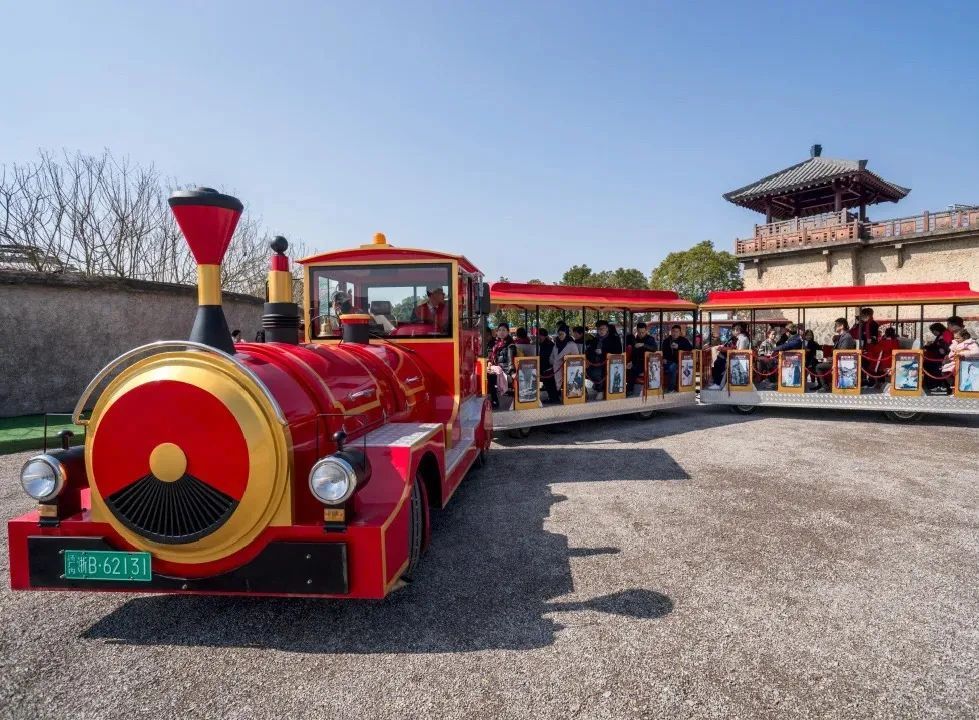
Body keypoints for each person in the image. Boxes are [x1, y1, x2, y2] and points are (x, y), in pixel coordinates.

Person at [814, 318, 856, 391]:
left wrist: (829, 359)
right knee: (818, 363)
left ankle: (825, 387)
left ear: (842, 326)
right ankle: (823, 385)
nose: (834, 327)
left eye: (836, 325)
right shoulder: (842, 336)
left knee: (818, 367)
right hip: (838, 360)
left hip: (843, 363)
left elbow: (842, 354)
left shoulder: (847, 337)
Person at [707, 323, 750, 390]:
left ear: (738, 330)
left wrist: (729, 350)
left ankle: (718, 383)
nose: (732, 331)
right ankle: (717, 382)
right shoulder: (739, 338)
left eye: (734, 329)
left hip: (739, 361)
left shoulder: (742, 339)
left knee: (718, 363)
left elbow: (740, 352)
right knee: (717, 362)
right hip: (735, 358)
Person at [585, 320, 622, 396]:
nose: (601, 331)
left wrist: (603, 352)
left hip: (608, 362)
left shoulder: (614, 338)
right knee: (586, 369)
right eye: (599, 329)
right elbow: (589, 350)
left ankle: (600, 390)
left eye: (603, 328)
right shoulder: (595, 339)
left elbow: (618, 351)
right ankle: (598, 386)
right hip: (594, 362)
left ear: (607, 328)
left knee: (597, 372)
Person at [487, 323, 515, 408]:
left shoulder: (510, 345)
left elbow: (511, 360)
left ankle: (495, 401)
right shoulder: (497, 344)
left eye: (504, 330)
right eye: (499, 330)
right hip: (498, 369)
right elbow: (494, 359)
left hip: (505, 371)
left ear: (508, 332)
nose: (501, 332)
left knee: (490, 376)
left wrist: (512, 372)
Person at [625, 322, 657, 393]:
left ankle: (629, 390)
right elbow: (633, 353)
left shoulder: (650, 339)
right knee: (626, 367)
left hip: (647, 362)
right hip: (636, 361)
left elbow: (654, 348)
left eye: (643, 332)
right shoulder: (635, 339)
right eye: (639, 332)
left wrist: (643, 345)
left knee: (633, 370)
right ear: (637, 331)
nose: (641, 334)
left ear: (646, 331)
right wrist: (630, 362)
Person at [661, 324, 693, 392]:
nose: (675, 333)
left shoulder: (684, 340)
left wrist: (679, 347)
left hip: (679, 362)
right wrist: (663, 358)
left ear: (680, 332)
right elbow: (662, 351)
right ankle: (656, 388)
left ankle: (671, 389)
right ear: (671, 332)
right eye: (673, 331)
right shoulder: (666, 341)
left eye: (677, 331)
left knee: (672, 367)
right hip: (667, 361)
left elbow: (690, 349)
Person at [923, 323, 951, 392]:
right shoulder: (942, 335)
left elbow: (943, 347)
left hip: (942, 358)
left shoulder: (944, 334)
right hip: (939, 357)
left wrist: (929, 347)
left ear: (936, 330)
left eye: (933, 331)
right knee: (926, 364)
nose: (933, 333)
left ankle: (935, 385)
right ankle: (933, 384)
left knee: (928, 366)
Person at [537, 328, 559, 403]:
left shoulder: (549, 344)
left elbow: (546, 358)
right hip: (544, 366)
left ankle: (553, 397)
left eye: (540, 335)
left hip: (549, 367)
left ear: (544, 336)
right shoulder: (540, 344)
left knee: (548, 377)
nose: (538, 337)